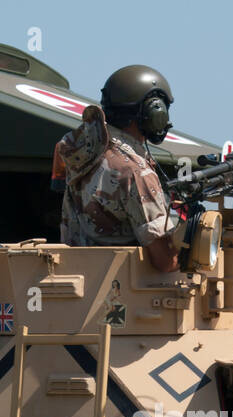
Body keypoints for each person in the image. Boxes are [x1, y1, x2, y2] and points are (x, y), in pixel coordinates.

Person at [54, 65, 182, 272]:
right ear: (154, 110)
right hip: (119, 292)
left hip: (78, 278)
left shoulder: (89, 151)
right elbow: (166, 261)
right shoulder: (134, 171)